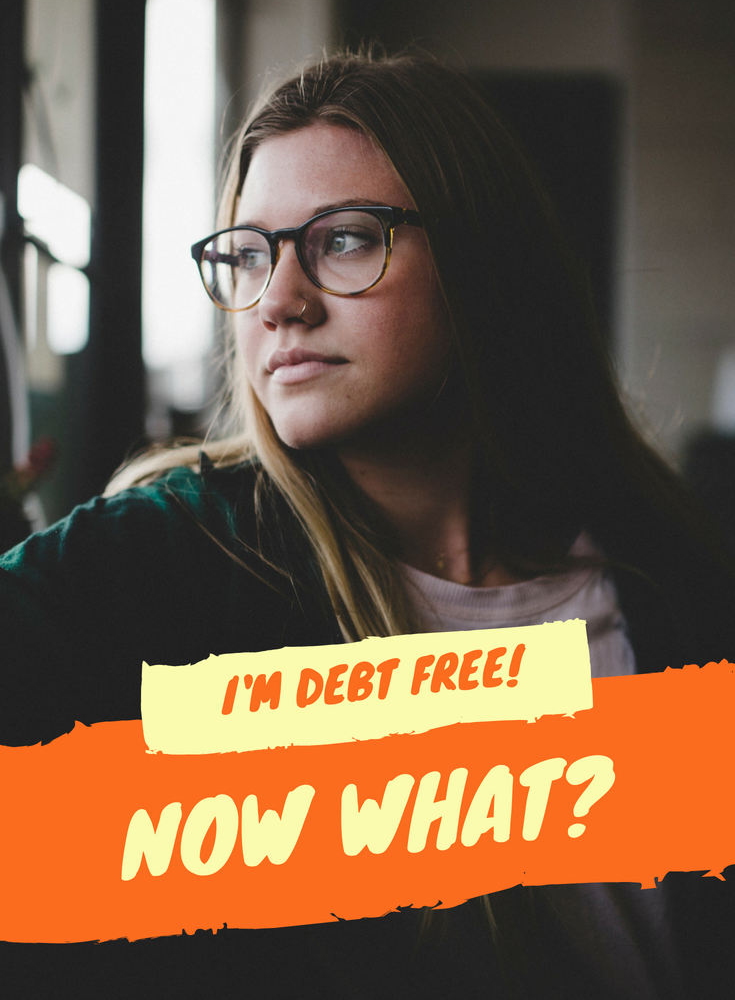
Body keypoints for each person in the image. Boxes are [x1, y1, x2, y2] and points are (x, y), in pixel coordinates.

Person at [1, 51, 733, 999]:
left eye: (344, 240)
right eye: (249, 254)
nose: (278, 303)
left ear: (482, 262)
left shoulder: (675, 582)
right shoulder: (166, 559)